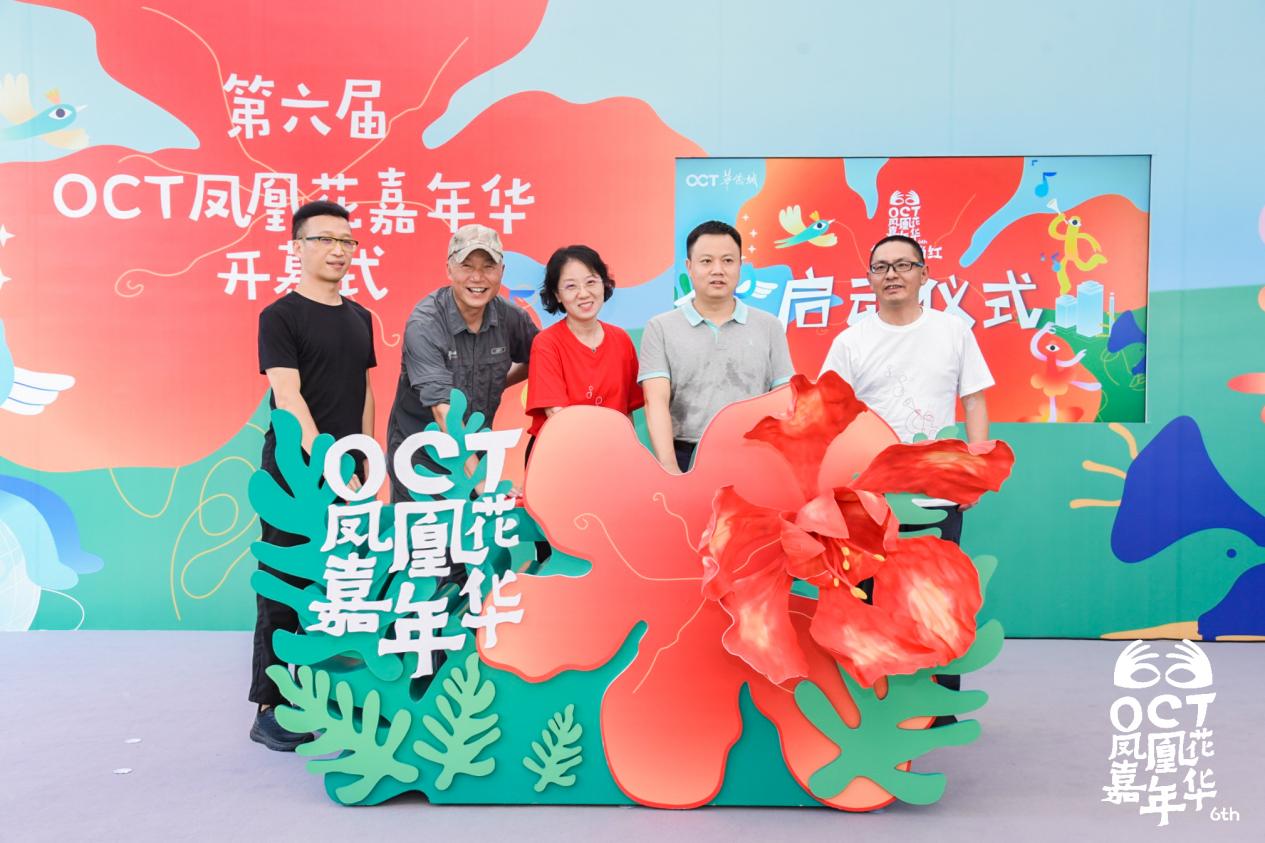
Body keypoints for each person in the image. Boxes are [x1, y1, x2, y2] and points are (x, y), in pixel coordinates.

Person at [819, 233, 995, 720]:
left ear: (924, 273)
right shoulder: (851, 341)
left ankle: (939, 710)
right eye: (881, 267)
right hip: (869, 497)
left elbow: (974, 400)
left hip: (934, 490)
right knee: (871, 600)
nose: (891, 274)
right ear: (869, 278)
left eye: (903, 265)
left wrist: (975, 468)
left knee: (940, 596)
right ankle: (880, 713)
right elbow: (830, 415)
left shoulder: (952, 332)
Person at [252, 200, 376, 751]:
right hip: (294, 473)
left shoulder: (360, 317)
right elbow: (288, 395)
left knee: (343, 583)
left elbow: (365, 391)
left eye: (346, 241)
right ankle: (270, 707)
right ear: (298, 247)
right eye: (325, 239)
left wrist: (366, 458)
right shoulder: (280, 316)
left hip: (348, 472)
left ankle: (327, 694)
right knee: (287, 582)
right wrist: (328, 461)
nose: (338, 250)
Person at [386, 223, 537, 501]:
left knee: (479, 529)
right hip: (422, 459)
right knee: (429, 530)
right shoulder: (425, 323)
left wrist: (497, 381)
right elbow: (443, 412)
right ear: (449, 269)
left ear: (501, 272)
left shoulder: (511, 318)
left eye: (488, 267)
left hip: (476, 452)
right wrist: (482, 483)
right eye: (467, 266)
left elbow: (540, 359)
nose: (477, 277)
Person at [638, 220, 793, 473]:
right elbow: (655, 401)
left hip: (755, 454)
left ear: (740, 265)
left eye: (728, 260)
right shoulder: (661, 328)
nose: (718, 270)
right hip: (686, 454)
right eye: (706, 261)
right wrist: (670, 469)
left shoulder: (769, 326)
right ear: (689, 267)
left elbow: (784, 398)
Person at [524, 245, 642, 460]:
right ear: (557, 295)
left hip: (612, 456)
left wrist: (630, 455)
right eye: (571, 286)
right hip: (559, 457)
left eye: (591, 282)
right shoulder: (547, 343)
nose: (584, 293)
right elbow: (557, 416)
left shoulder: (621, 340)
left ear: (604, 284)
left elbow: (626, 413)